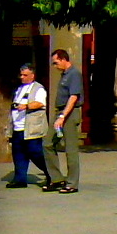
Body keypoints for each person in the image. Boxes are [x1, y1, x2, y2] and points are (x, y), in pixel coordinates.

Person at [44, 49, 84, 193]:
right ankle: (56, 178)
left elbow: (73, 97)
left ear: (63, 59)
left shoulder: (74, 74)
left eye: (56, 63)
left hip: (69, 113)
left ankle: (72, 183)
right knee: (47, 143)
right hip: (60, 111)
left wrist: (62, 117)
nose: (55, 66)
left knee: (70, 149)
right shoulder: (64, 75)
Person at [8, 64, 51, 188]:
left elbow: (40, 103)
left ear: (32, 75)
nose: (22, 77)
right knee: (19, 154)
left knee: (35, 153)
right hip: (18, 127)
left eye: (25, 75)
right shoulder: (19, 89)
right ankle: (20, 179)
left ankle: (51, 174)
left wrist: (26, 106)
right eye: (21, 75)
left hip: (32, 128)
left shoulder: (38, 88)